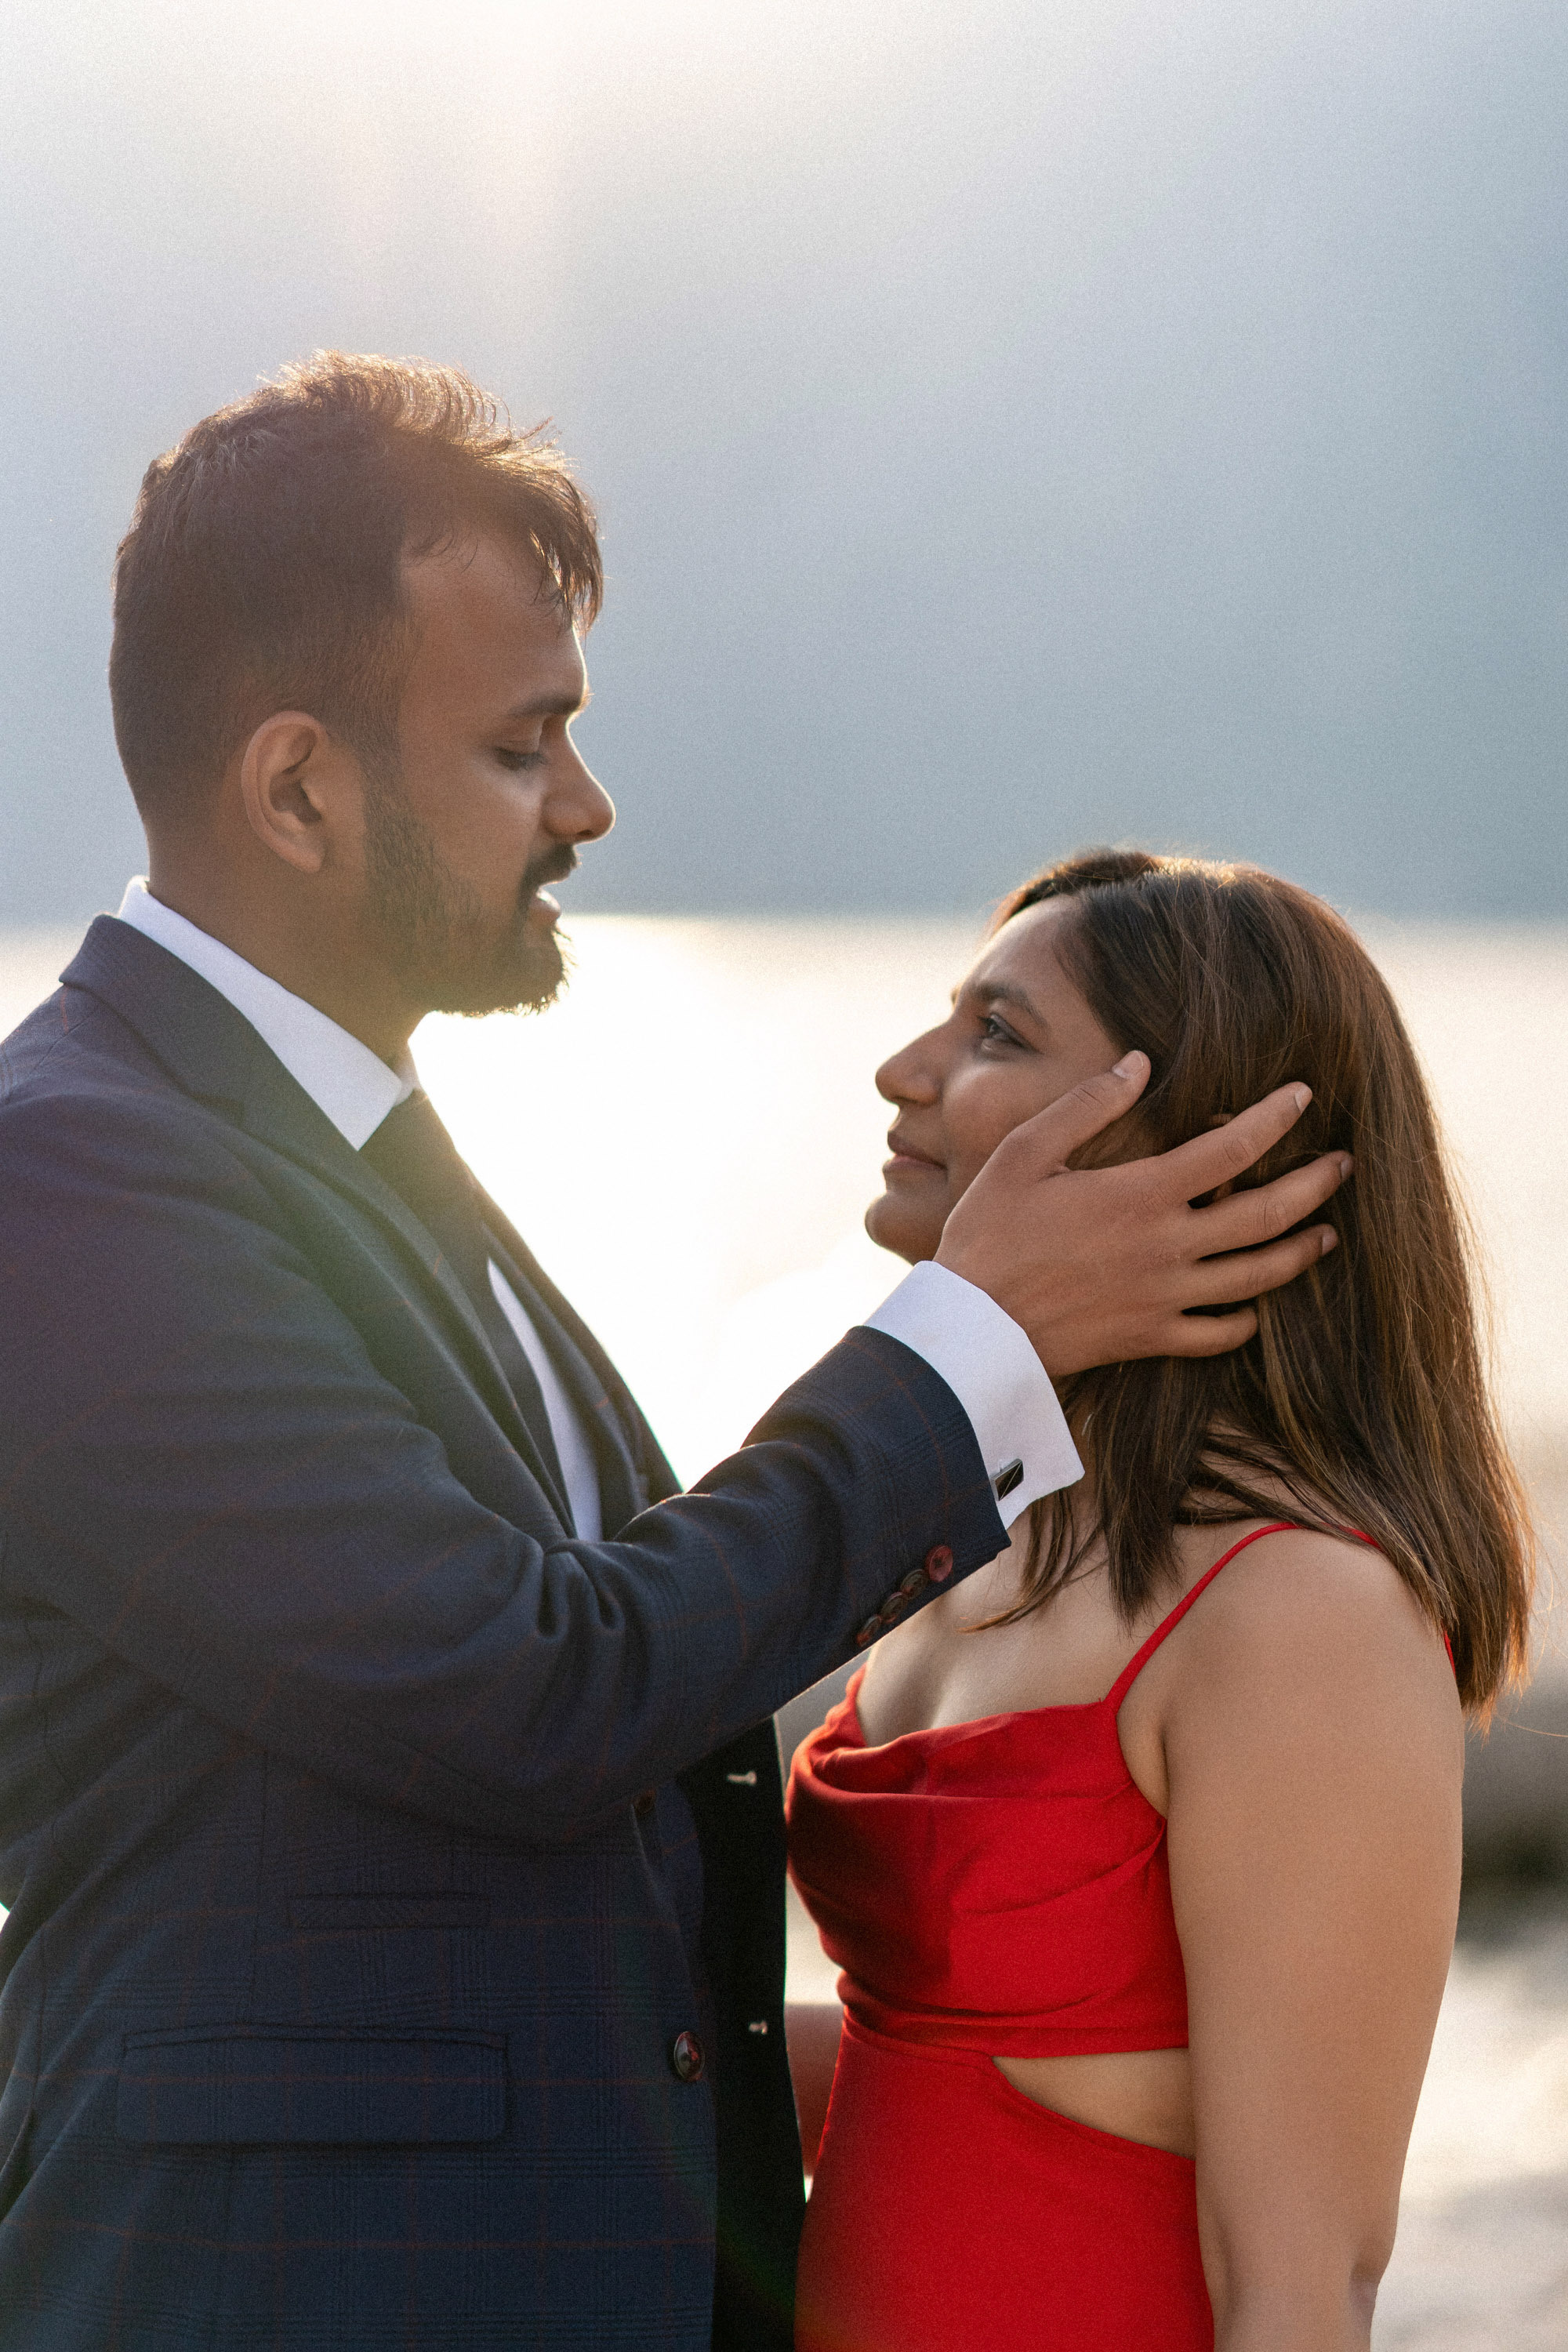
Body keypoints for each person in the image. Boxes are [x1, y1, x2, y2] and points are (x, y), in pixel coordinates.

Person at [0, 360, 1347, 2352]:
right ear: (296, 791)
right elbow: (535, 1691)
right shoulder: (73, 1178)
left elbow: (570, 1809)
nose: (586, 805)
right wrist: (973, 1341)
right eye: (520, 743)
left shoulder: (359, 1151)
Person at [786, 847, 1535, 2352]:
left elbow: (1301, 2290)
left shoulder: (1300, 1611)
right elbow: (929, 2059)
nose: (905, 1069)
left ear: (1189, 1146)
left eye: (996, 1033)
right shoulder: (984, 1531)